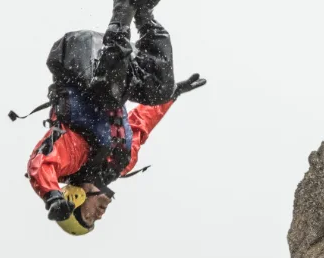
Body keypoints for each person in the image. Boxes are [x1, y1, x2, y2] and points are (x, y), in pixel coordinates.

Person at [26, 0, 206, 235]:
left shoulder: (75, 157)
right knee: (161, 89)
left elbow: (40, 165)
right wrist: (172, 96)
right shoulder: (119, 163)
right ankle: (144, 14)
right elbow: (140, 125)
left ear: (76, 198)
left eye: (88, 216)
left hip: (87, 65)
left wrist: (51, 196)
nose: (98, 215)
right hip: (116, 67)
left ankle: (124, 7)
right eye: (95, 221)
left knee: (111, 92)